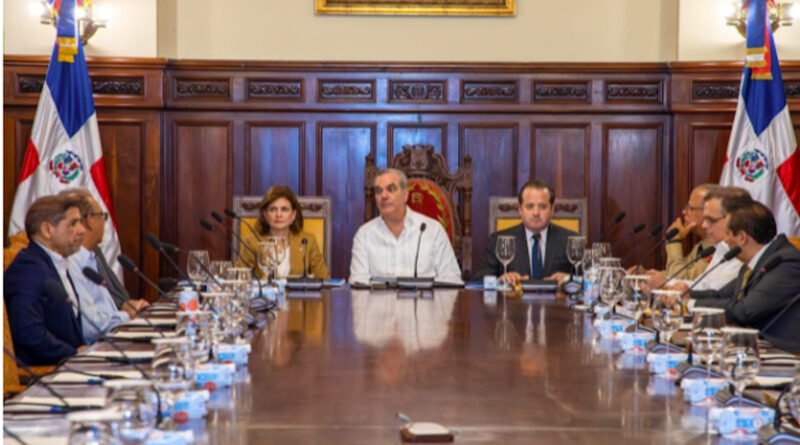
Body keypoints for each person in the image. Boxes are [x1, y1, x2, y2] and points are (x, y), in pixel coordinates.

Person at [689, 199, 800, 330]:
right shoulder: (753, 262)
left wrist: (691, 304)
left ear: (742, 237)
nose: (725, 240)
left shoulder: (785, 262)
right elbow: (721, 295)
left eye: (728, 234)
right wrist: (685, 296)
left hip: (776, 343)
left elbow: (744, 311)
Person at [4, 196, 87, 365]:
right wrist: (73, 354)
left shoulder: (54, 262)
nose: (82, 230)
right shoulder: (28, 269)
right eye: (73, 223)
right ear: (47, 230)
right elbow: (28, 333)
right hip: (46, 372)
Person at [60, 188, 149, 343]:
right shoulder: (72, 262)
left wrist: (127, 309)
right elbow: (90, 327)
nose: (104, 222)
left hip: (111, 339)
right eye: (103, 216)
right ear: (90, 220)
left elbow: (106, 310)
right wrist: (127, 315)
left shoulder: (91, 257)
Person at [349, 169, 462, 285]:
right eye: (378, 191)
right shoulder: (364, 235)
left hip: (424, 297)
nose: (384, 196)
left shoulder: (432, 231)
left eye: (390, 189)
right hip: (377, 297)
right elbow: (358, 282)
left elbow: (452, 279)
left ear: (405, 195)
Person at [472, 180, 576, 285]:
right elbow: (479, 281)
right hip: (514, 296)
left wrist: (569, 278)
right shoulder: (497, 240)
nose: (536, 213)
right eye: (530, 206)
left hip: (557, 296)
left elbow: (585, 278)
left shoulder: (571, 240)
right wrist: (501, 280)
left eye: (542, 207)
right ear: (520, 209)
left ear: (552, 209)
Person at [649, 186, 750, 291]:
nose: (704, 225)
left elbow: (712, 293)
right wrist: (655, 279)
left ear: (732, 219)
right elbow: (701, 285)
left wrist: (674, 241)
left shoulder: (740, 255)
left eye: (711, 219)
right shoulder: (721, 248)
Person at [238, 186, 330, 279]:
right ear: (265, 215)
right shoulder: (251, 242)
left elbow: (324, 278)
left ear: (293, 215)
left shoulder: (308, 241)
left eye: (284, 209)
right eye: (273, 209)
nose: (279, 214)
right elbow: (240, 278)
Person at [663, 184, 714, 280]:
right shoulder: (701, 246)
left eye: (690, 208)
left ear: (707, 212)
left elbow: (681, 279)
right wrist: (645, 275)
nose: (684, 212)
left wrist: (674, 241)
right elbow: (681, 272)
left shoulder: (716, 249)